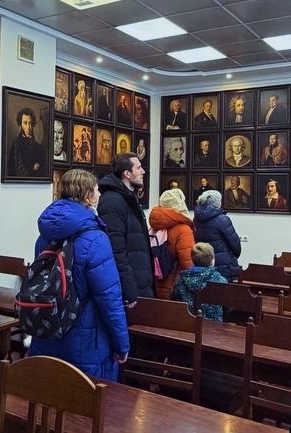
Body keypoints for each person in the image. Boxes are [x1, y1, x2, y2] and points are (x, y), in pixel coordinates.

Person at [29, 168, 129, 380]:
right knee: (84, 397)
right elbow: (109, 298)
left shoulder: (45, 234)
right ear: (88, 196)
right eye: (97, 190)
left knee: (47, 392)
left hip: (47, 329)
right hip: (85, 341)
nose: (100, 194)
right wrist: (122, 344)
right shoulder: (95, 238)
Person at [97, 152, 154, 305]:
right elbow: (116, 251)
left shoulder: (128, 198)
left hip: (139, 283)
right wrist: (130, 292)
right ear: (127, 174)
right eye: (139, 168)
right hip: (129, 292)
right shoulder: (112, 202)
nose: (143, 171)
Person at [148, 188, 195, 299]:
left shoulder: (154, 227)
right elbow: (188, 264)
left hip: (155, 285)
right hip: (175, 288)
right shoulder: (183, 229)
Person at [193, 188, 241, 281]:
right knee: (223, 289)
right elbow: (235, 246)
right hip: (223, 266)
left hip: (203, 263)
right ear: (217, 203)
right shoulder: (223, 219)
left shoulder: (196, 219)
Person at [170, 242, 228, 320]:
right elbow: (227, 305)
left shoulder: (181, 279)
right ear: (212, 260)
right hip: (213, 324)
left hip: (188, 322)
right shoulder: (219, 280)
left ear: (192, 259)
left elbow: (174, 298)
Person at [8, 108, 47, 178]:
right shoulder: (15, 146)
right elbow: (11, 171)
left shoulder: (40, 148)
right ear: (20, 126)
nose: (28, 127)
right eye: (25, 123)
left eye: (30, 123)